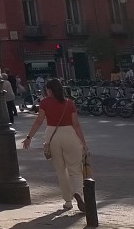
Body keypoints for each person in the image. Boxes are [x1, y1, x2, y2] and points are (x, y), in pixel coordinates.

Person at [22, 78, 88, 211]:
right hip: (70, 133)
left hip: (52, 134)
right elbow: (76, 125)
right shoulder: (69, 103)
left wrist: (29, 137)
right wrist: (83, 143)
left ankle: (68, 201)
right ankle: (78, 193)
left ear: (49, 90)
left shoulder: (44, 103)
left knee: (60, 170)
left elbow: (39, 121)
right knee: (75, 169)